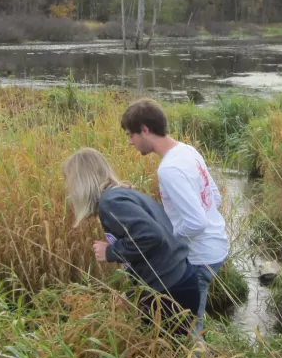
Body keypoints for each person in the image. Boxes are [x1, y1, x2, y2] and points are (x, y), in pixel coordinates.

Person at [120, 99, 230, 338]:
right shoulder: (187, 150)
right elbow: (214, 198)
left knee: (189, 328)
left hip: (199, 256)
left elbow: (197, 223)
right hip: (216, 247)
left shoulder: (169, 169)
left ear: (145, 130)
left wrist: (169, 243)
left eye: (131, 135)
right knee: (190, 320)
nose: (130, 142)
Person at [62, 148, 200, 331]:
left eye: (69, 181)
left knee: (166, 355)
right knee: (177, 353)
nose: (68, 188)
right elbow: (152, 250)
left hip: (169, 292)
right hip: (178, 283)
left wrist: (110, 252)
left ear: (81, 182)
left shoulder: (111, 202)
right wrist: (132, 293)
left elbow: (152, 236)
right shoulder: (123, 194)